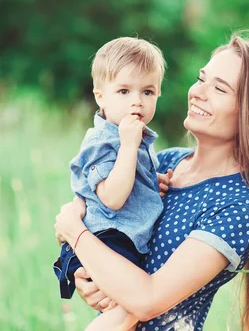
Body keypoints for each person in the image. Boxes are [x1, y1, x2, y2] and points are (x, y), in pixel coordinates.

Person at [55, 33, 249, 331]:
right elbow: (97, 210)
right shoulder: (164, 163)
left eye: (219, 88)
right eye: (202, 79)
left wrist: (75, 232)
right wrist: (87, 276)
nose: (199, 92)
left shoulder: (237, 206)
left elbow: (148, 300)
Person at [53, 37, 167, 330]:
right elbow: (112, 197)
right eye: (124, 90)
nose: (137, 101)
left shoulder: (132, 136)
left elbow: (130, 184)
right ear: (100, 96)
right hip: (109, 238)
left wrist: (151, 183)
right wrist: (129, 147)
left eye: (148, 91)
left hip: (121, 238)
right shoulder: (103, 142)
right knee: (125, 308)